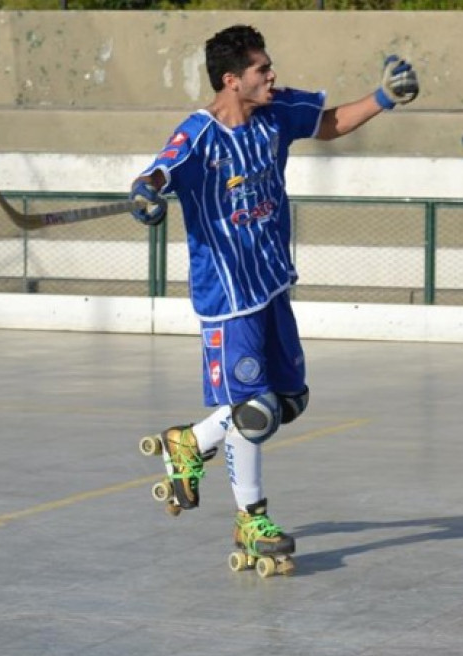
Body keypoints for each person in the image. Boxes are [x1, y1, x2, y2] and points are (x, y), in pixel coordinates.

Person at [129, 25, 417, 571]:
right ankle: (251, 518)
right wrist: (146, 191)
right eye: (262, 69)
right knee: (255, 410)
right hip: (229, 295)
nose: (272, 75)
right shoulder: (199, 136)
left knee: (287, 402)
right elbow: (159, 170)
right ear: (232, 80)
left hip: (272, 282)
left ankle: (188, 443)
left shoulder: (275, 112)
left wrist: (384, 98)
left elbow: (328, 124)